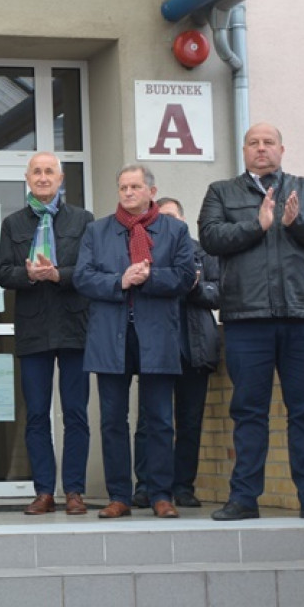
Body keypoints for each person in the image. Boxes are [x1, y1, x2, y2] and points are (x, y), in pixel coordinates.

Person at [199, 122, 304, 522]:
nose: (261, 148)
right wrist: (257, 225)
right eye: (253, 143)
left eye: (268, 142)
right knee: (248, 411)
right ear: (244, 150)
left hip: (301, 317)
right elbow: (210, 237)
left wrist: (298, 223)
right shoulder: (221, 192)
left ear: (282, 149)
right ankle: (244, 498)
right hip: (246, 319)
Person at [73, 163, 195, 520]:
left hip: (157, 335)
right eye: (123, 187)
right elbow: (83, 277)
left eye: (135, 187)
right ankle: (119, 496)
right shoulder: (97, 231)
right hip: (111, 336)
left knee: (159, 419)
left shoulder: (175, 230)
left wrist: (149, 277)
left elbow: (186, 276)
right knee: (113, 420)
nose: (128, 193)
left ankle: (161, 494)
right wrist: (120, 281)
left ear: (151, 192)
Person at [0, 152, 93, 516]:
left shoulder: (83, 220)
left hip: (74, 326)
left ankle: (75, 491)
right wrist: (29, 275)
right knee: (36, 414)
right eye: (36, 171)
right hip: (33, 328)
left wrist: (57, 275)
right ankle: (44, 491)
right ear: (27, 178)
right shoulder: (13, 224)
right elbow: (3, 272)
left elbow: (90, 269)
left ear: (60, 178)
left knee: (75, 413)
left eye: (49, 171)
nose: (43, 177)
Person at [131, 196, 220, 509]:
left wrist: (195, 288)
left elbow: (220, 292)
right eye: (161, 218)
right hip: (155, 348)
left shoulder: (202, 252)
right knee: (149, 421)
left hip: (194, 348)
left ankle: (183, 487)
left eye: (172, 217)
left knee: (189, 422)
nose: (167, 223)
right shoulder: (143, 251)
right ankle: (146, 486)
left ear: (182, 221)